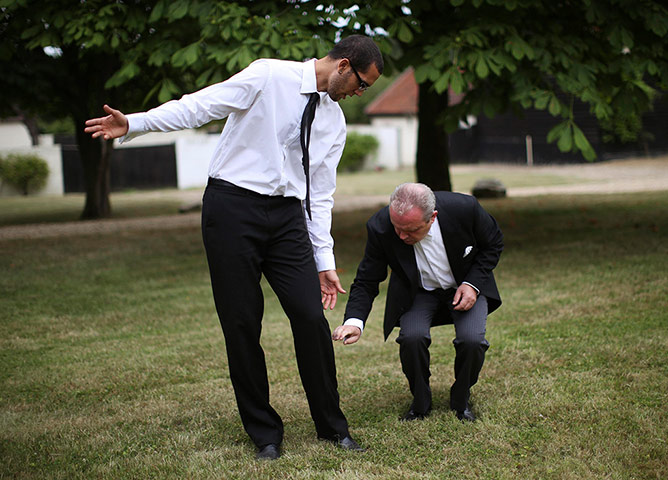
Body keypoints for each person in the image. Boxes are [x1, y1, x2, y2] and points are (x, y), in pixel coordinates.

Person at [85, 35, 383, 460]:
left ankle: (332, 427)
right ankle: (264, 433)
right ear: (344, 64)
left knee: (309, 317)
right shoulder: (268, 75)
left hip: (287, 219)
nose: (359, 93)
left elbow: (321, 193)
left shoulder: (333, 121)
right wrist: (135, 122)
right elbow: (199, 104)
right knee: (242, 324)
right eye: (362, 84)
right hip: (232, 209)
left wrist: (324, 259)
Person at [332, 183, 503, 422]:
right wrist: (354, 321)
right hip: (418, 292)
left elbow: (493, 243)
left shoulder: (465, 209)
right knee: (412, 338)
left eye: (410, 230)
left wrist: (472, 284)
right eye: (397, 228)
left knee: (472, 340)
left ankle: (461, 398)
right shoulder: (380, 226)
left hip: (464, 285)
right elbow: (367, 279)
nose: (401, 236)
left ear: (432, 217)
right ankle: (421, 401)